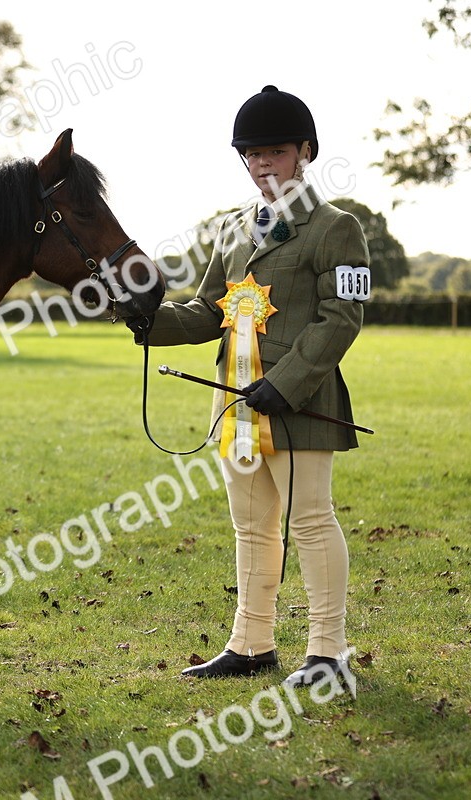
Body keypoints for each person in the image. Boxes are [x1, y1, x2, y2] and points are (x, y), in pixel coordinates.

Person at [133, 85, 369, 687]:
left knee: (311, 519)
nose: (261, 164)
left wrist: (285, 385)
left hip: (301, 400)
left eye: (274, 152)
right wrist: (145, 318)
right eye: (251, 154)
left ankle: (328, 654)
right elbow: (209, 309)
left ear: (304, 152)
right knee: (251, 524)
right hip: (235, 399)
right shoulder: (234, 229)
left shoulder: (336, 228)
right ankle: (252, 643)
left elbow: (341, 318)